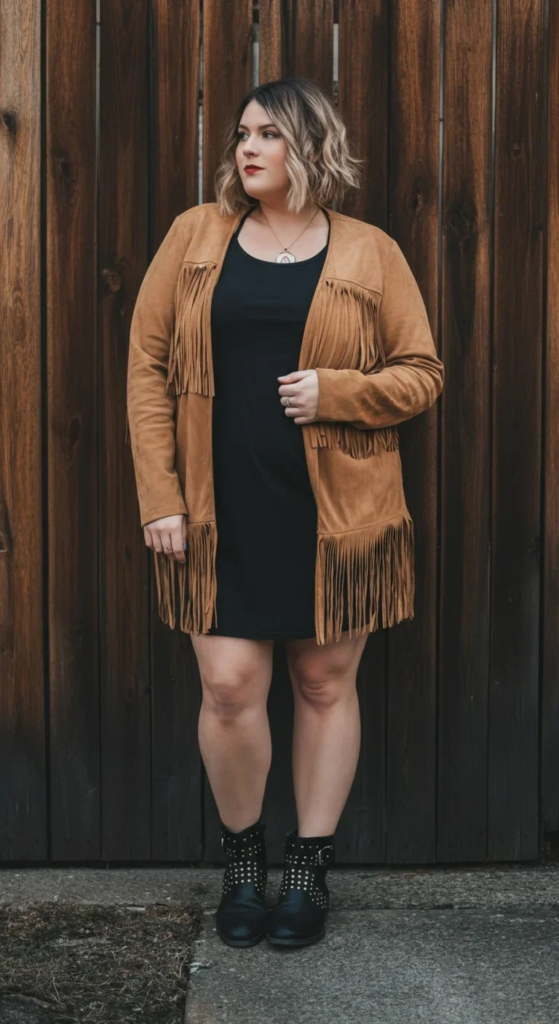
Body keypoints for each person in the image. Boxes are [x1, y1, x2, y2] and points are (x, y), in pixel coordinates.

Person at [126, 77, 444, 950]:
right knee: (229, 688)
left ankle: (305, 872)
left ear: (312, 146)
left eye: (268, 133)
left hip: (337, 518)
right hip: (214, 510)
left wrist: (338, 391)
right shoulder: (196, 236)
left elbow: (421, 372)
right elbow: (147, 368)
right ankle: (242, 867)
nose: (247, 148)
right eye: (240, 135)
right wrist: (160, 495)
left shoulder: (369, 251)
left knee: (321, 683)